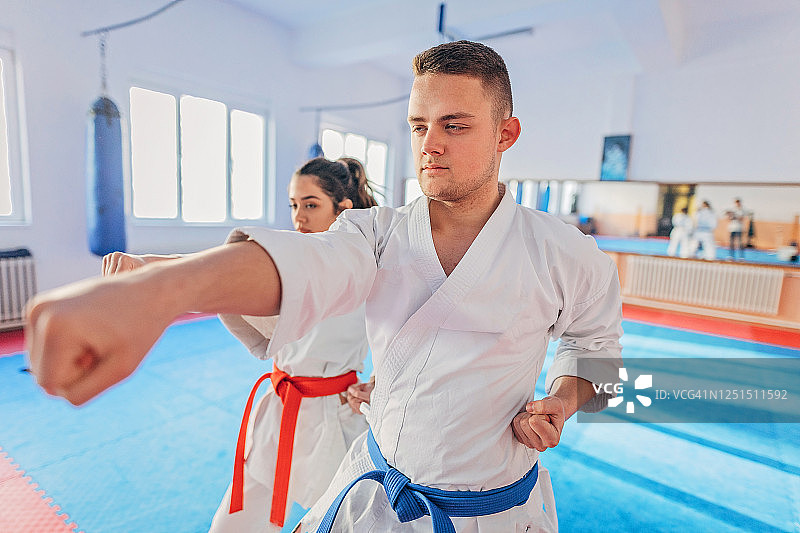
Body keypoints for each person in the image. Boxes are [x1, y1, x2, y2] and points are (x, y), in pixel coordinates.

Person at [26, 40, 623, 532]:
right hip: (378, 495)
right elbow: (310, 266)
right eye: (418, 125)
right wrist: (162, 290)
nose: (429, 144)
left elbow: (596, 352)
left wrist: (563, 401)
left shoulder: (566, 253)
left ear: (505, 133)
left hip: (496, 509)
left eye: (455, 125)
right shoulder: (374, 231)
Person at [103, 157, 378, 532]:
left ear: (343, 209)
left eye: (311, 205)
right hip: (280, 410)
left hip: (336, 416)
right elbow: (221, 275)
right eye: (294, 205)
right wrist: (149, 267)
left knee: (342, 522)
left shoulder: (365, 266)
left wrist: (379, 381)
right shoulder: (289, 265)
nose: (299, 217)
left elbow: (406, 333)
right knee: (231, 525)